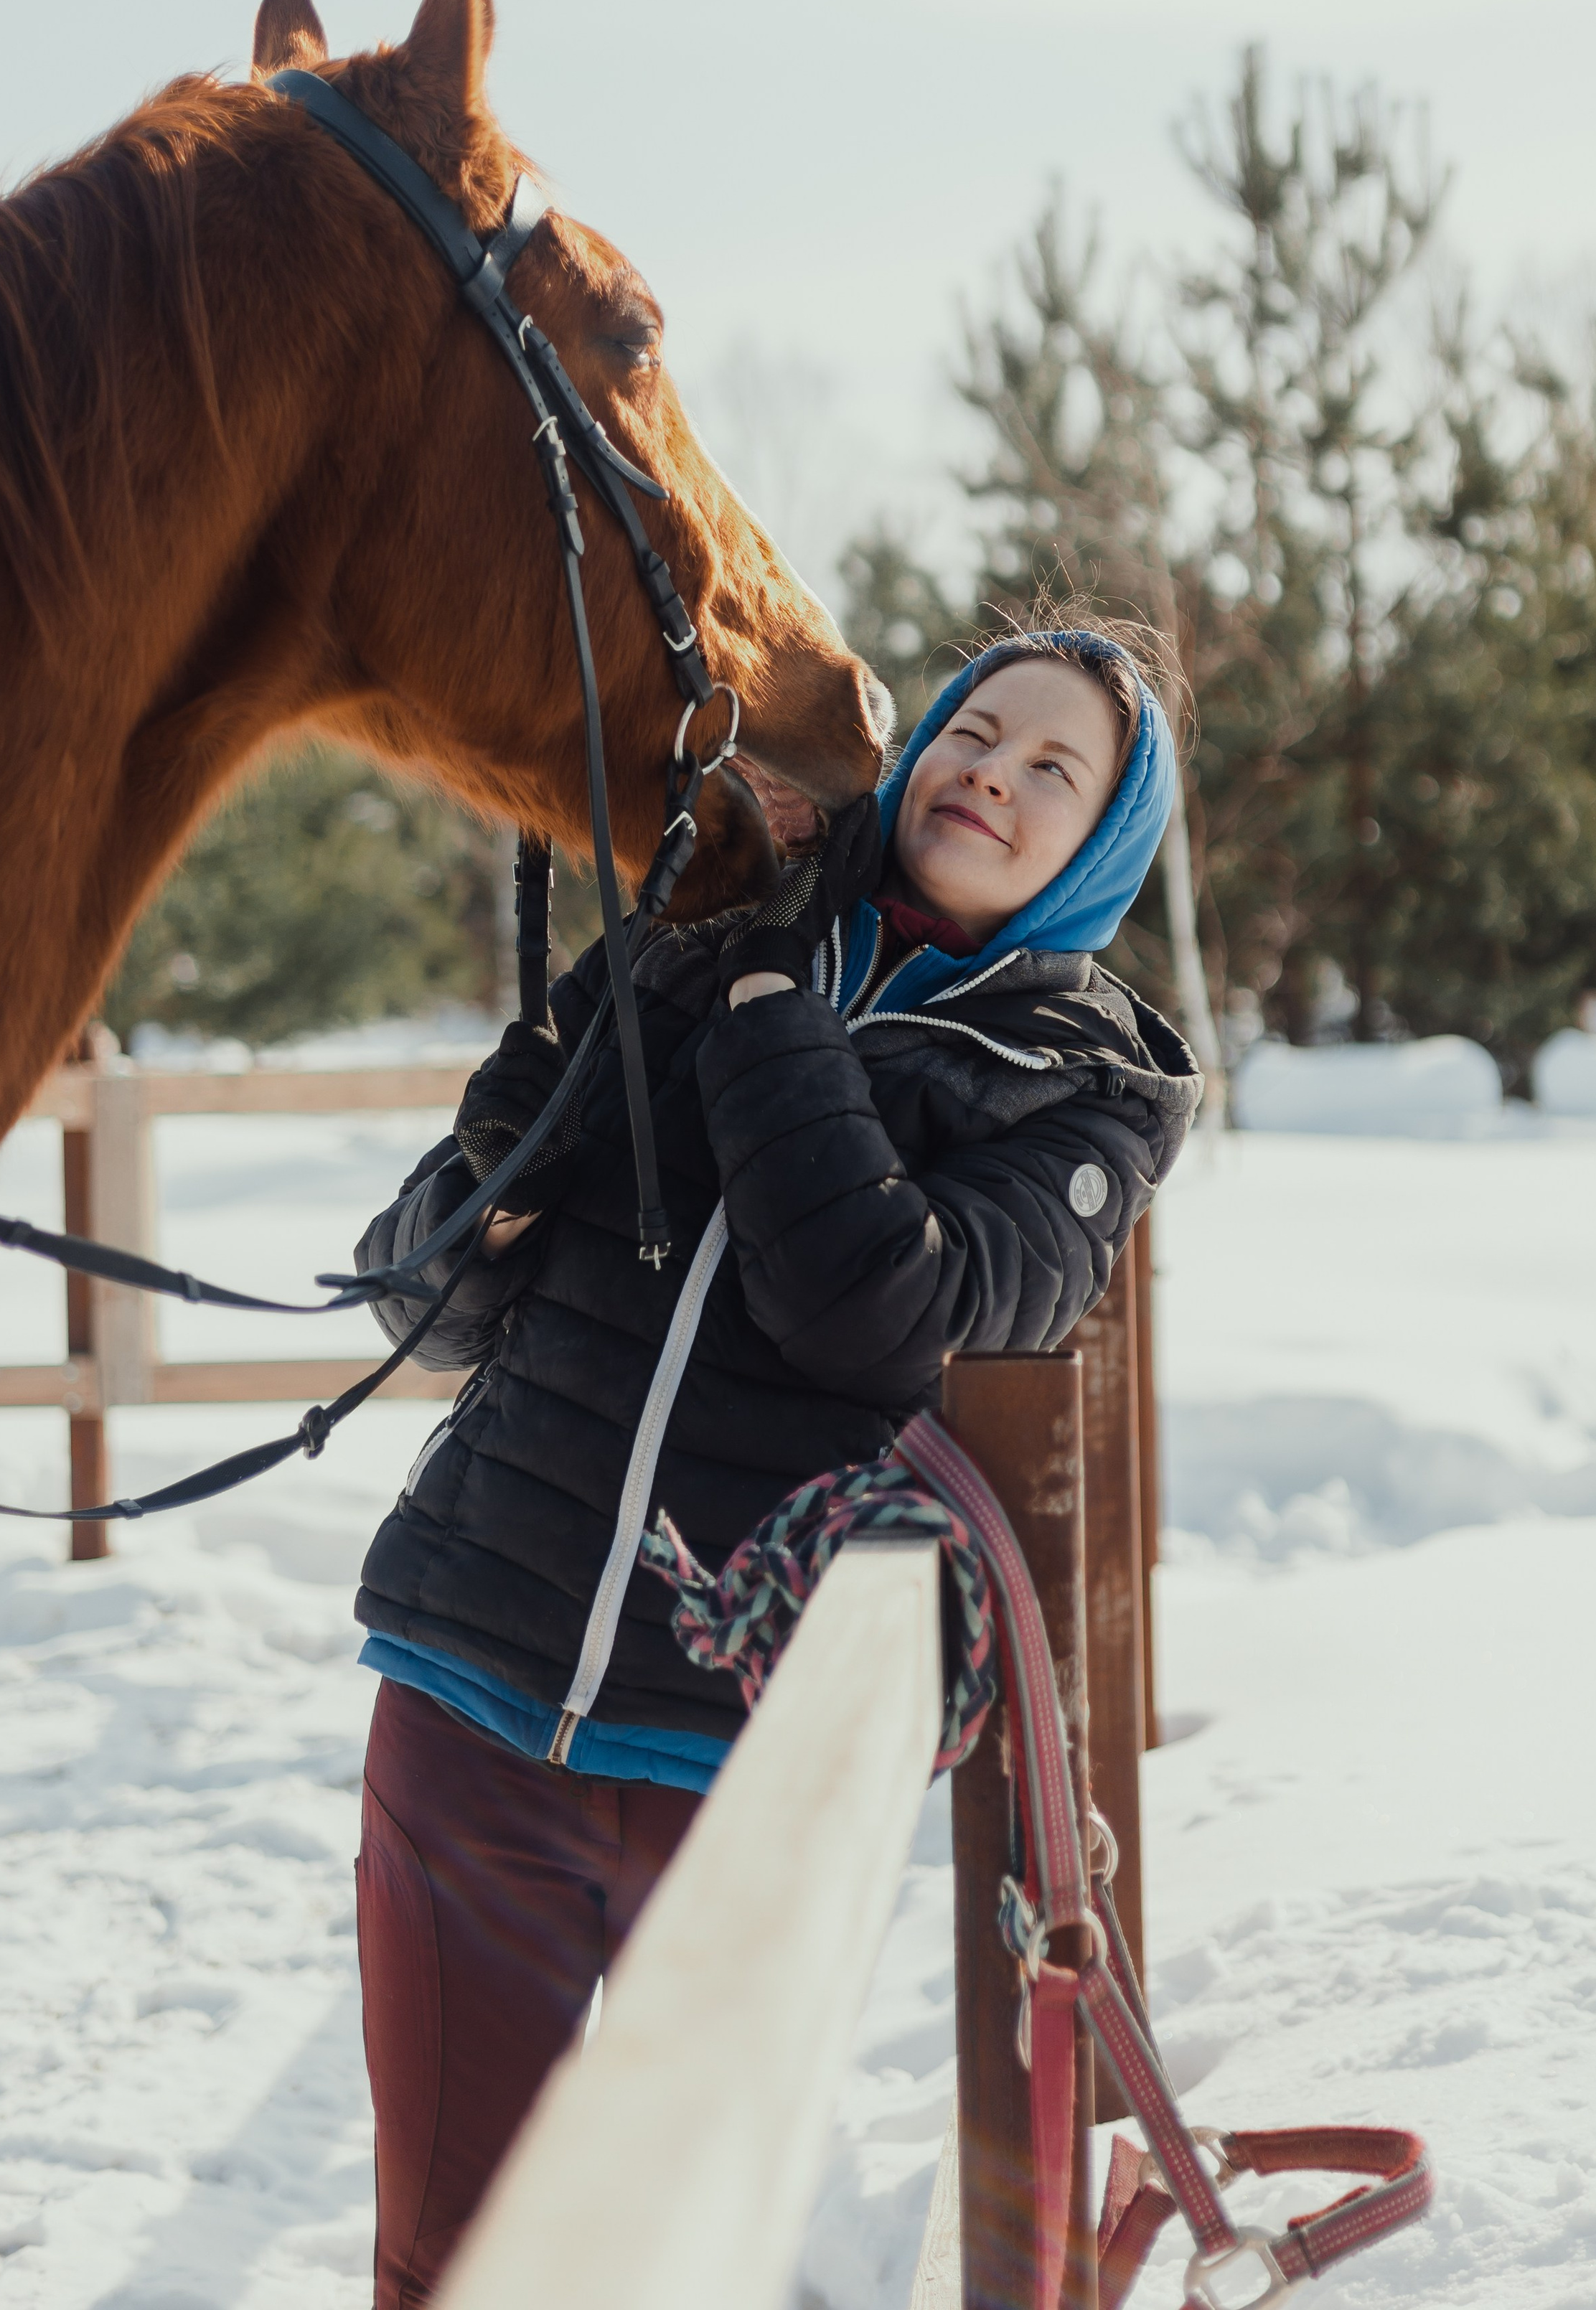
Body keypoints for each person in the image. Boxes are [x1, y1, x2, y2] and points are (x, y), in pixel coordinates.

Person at [347, 615, 1203, 2306]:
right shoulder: (700, 926)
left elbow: (873, 1311)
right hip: (466, 1697)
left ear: (1097, 842)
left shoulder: (1082, 1100)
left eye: (1055, 772)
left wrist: (755, 991)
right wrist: (487, 1195)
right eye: (976, 731)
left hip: (734, 1768)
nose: (992, 779)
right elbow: (416, 1306)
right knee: (446, 2266)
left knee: (664, 2257)